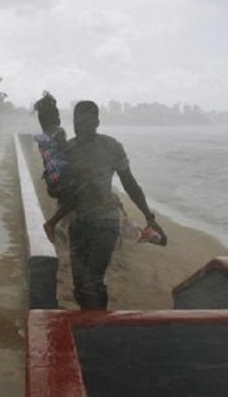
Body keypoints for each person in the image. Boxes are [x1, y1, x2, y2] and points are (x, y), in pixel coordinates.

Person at [64, 100, 166, 310]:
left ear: (97, 122)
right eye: (77, 122)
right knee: (78, 287)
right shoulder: (68, 150)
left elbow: (129, 183)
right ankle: (91, 322)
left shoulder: (111, 147)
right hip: (78, 223)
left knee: (93, 282)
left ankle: (99, 327)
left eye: (86, 122)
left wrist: (149, 217)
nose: (80, 127)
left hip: (105, 222)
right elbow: (61, 190)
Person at [32, 92, 76, 242]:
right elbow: (67, 151)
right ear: (55, 117)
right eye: (57, 114)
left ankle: (61, 224)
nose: (59, 117)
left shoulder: (42, 137)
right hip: (62, 178)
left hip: (51, 179)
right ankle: (55, 223)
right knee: (81, 189)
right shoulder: (59, 133)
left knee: (67, 197)